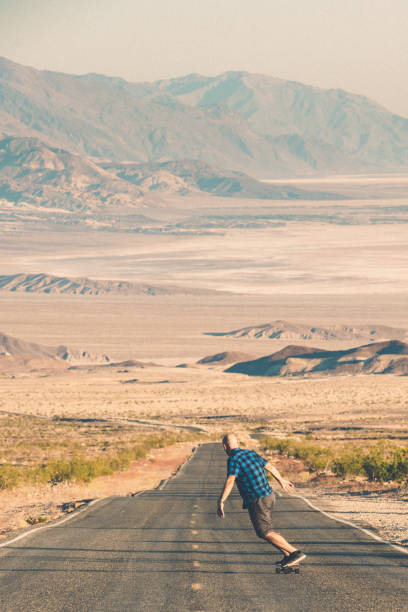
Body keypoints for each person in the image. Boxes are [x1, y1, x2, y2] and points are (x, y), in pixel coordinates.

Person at [217, 433, 306, 568]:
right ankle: (288, 556)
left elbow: (230, 480)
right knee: (267, 530)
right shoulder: (251, 453)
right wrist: (281, 480)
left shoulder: (233, 459)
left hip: (257, 499)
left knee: (264, 532)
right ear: (238, 443)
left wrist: (221, 501)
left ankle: (295, 552)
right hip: (269, 495)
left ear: (224, 447)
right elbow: (269, 467)